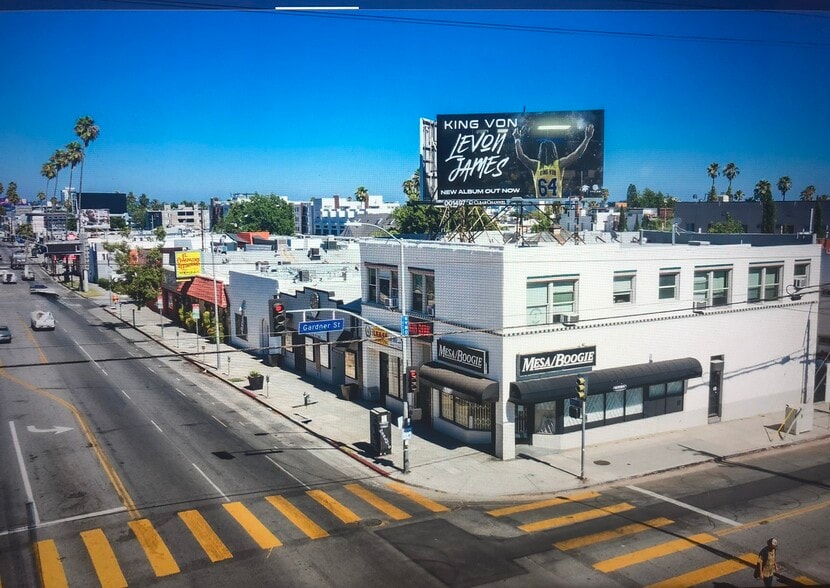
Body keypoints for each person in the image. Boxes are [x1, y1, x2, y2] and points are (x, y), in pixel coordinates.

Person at [513, 123, 595, 199]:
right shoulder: (558, 164)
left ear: (540, 152)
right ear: (554, 151)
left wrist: (517, 140)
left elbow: (521, 156)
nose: (547, 153)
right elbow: (577, 154)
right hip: (555, 204)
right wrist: (587, 138)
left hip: (541, 204)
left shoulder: (536, 165)